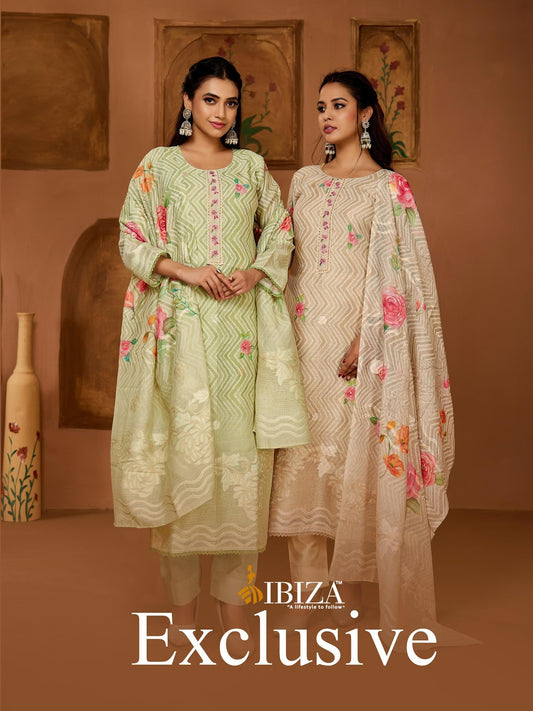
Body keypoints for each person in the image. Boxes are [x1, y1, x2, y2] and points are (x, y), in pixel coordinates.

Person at [110, 57, 308, 646]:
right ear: (187, 103)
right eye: (210, 100)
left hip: (241, 337)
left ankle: (233, 612)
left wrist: (255, 273)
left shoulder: (251, 167)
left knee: (241, 470)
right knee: (185, 458)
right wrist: (186, 271)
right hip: (181, 334)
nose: (222, 113)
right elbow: (131, 236)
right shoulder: (158, 165)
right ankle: (183, 615)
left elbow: (281, 230)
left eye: (231, 102)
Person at [269, 70, 457, 636]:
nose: (326, 116)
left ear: (366, 113)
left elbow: (404, 276)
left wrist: (367, 337)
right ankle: (309, 607)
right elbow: (286, 259)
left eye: (339, 105)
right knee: (300, 476)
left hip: (358, 352)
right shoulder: (303, 181)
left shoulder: (389, 188)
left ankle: (345, 606)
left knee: (347, 476)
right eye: (321, 106)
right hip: (300, 344)